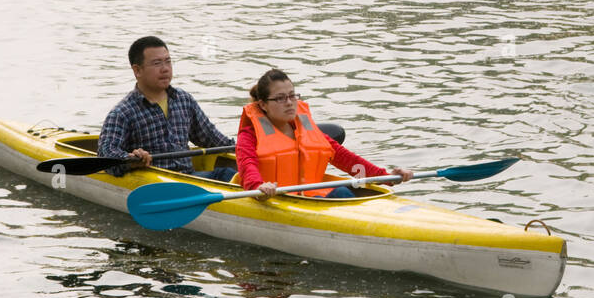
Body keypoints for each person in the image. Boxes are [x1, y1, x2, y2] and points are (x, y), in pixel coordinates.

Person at [236, 69, 413, 200]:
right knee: (342, 193)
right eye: (280, 98)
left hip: (312, 198)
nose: (289, 103)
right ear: (264, 104)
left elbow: (348, 161)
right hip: (273, 198)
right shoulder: (249, 135)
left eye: (292, 96)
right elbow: (247, 166)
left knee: (343, 192)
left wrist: (388, 177)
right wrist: (258, 188)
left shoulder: (305, 128)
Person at [98, 36, 236, 179]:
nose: (165, 69)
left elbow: (213, 139)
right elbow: (106, 153)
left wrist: (245, 148)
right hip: (155, 184)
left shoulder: (183, 100)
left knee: (227, 174)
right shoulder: (122, 112)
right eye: (157, 63)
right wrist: (131, 159)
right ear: (137, 70)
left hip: (189, 178)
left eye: (168, 62)